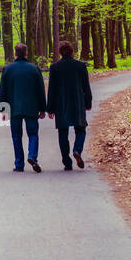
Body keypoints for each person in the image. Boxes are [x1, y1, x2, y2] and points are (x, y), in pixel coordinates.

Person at [0, 42, 47, 172]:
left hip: (14, 108)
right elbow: (41, 90)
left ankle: (19, 164)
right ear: (26, 53)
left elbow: (2, 91)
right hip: (31, 107)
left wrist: (3, 111)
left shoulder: (7, 69)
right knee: (33, 134)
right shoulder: (34, 69)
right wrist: (43, 109)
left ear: (15, 53)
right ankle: (32, 156)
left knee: (16, 136)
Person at [46, 40, 92, 170]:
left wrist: (50, 108)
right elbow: (86, 87)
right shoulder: (80, 66)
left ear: (60, 52)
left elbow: (52, 89)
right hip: (78, 102)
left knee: (62, 132)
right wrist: (88, 102)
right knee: (81, 129)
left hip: (61, 104)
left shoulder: (55, 67)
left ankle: (67, 162)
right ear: (72, 51)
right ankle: (77, 150)